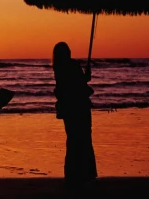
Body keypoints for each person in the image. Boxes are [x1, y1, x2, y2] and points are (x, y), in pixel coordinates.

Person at [52, 41, 97, 187]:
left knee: (72, 138)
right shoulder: (71, 65)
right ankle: (84, 172)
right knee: (83, 137)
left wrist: (85, 77)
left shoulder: (58, 67)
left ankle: (72, 173)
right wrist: (86, 77)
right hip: (79, 106)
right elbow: (78, 84)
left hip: (67, 107)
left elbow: (69, 85)